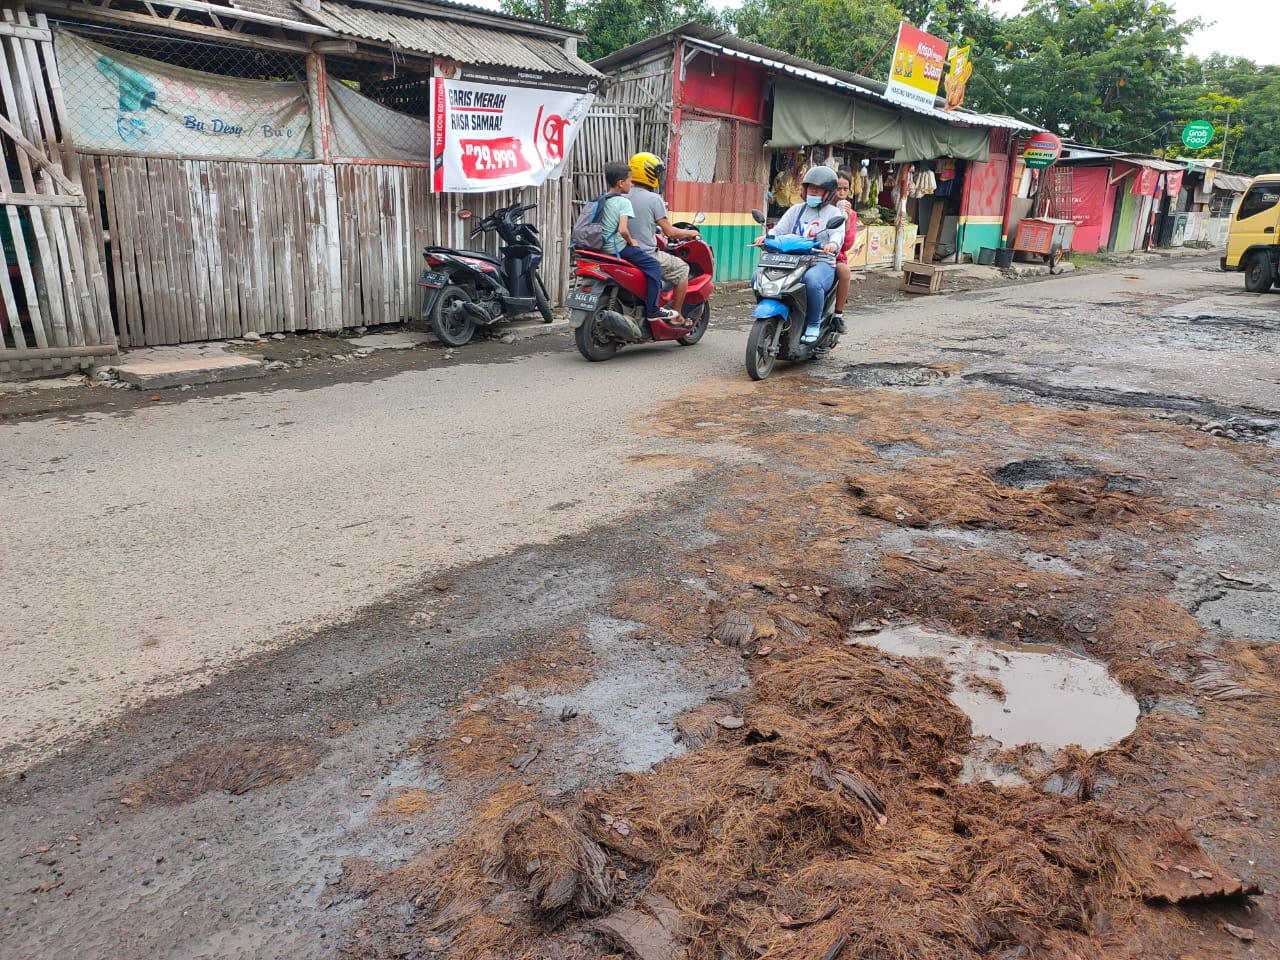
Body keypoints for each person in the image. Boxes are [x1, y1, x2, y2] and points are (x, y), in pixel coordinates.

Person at [758, 166, 846, 343]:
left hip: (820, 262)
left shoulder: (834, 213)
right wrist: (766, 238)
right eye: (810, 187)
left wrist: (832, 244)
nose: (813, 190)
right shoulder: (796, 210)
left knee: (812, 281)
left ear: (828, 192)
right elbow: (779, 230)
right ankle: (772, 317)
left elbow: (838, 234)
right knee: (757, 277)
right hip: (792, 261)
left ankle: (813, 323)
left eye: (818, 188)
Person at [598, 161, 679, 322]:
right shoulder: (623, 202)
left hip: (600, 248)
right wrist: (632, 241)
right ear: (621, 183)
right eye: (629, 180)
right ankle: (653, 310)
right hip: (617, 248)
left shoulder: (603, 199)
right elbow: (622, 229)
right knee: (653, 265)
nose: (631, 184)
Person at [626, 152, 699, 321]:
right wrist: (691, 233)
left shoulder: (620, 194)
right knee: (682, 269)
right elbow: (670, 232)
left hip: (621, 251)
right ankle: (677, 316)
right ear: (649, 173)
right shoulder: (653, 199)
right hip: (645, 253)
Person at [832, 169, 860, 334]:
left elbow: (847, 245)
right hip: (812, 254)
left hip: (835, 257)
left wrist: (847, 219)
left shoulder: (852, 214)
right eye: (838, 188)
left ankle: (837, 314)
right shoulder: (822, 208)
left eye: (845, 189)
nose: (842, 193)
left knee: (844, 271)